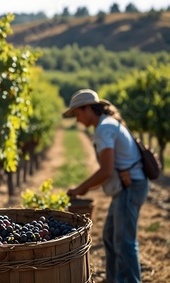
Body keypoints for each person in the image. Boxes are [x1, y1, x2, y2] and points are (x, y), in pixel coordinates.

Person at [62, 89, 149, 283]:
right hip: (126, 189)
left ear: (88, 109)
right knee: (110, 237)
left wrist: (80, 188)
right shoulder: (107, 124)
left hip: (131, 188)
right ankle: (114, 279)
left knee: (124, 243)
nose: (78, 120)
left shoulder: (104, 129)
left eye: (78, 114)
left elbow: (106, 171)